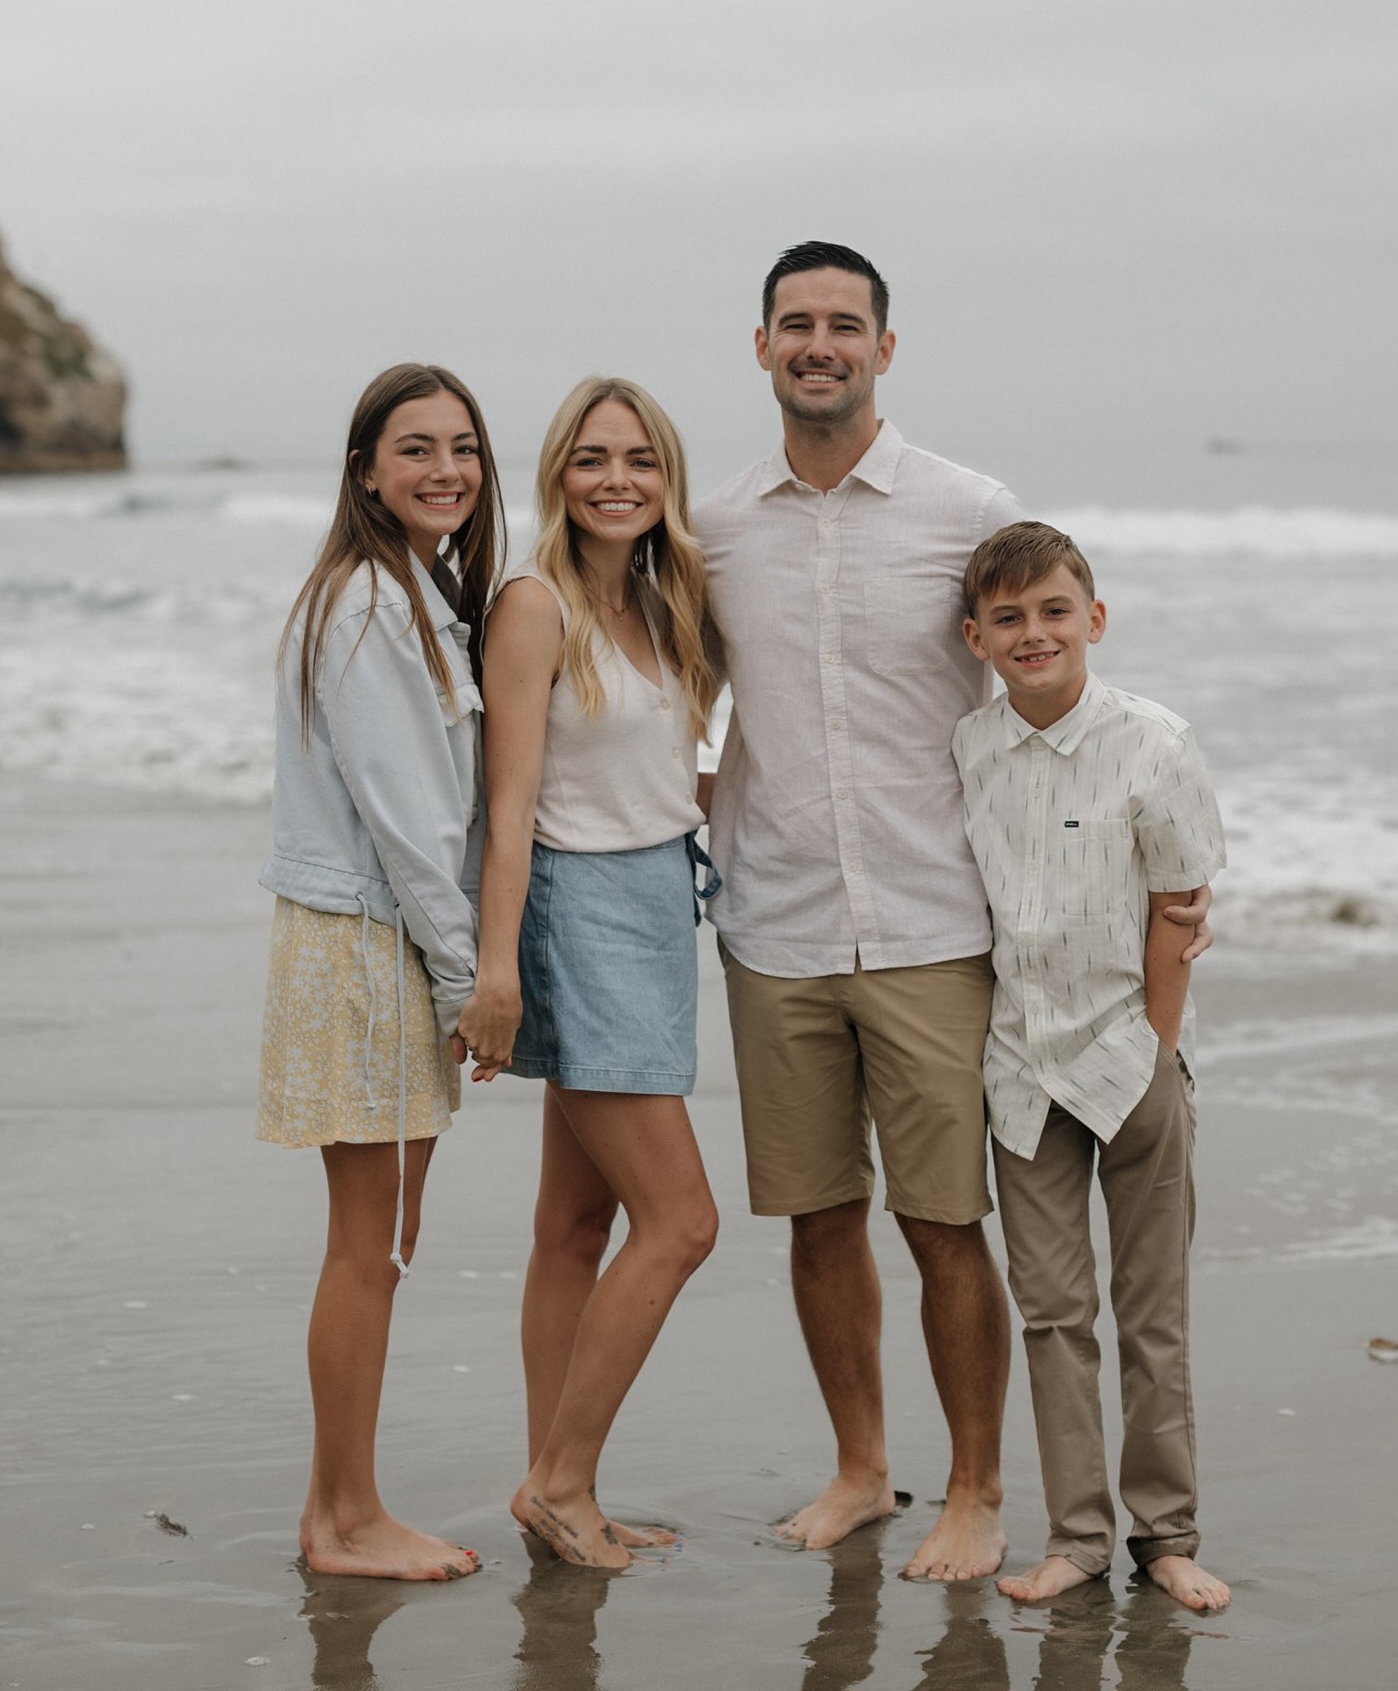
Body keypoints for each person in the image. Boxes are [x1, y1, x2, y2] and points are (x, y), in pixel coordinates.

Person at [691, 240, 1213, 1583]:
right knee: (815, 1217)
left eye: (845, 324)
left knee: (943, 1219)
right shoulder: (716, 522)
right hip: (778, 924)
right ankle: (864, 1471)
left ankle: (976, 1492)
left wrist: (1139, 901)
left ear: (884, 347)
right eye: (796, 324)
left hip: (934, 924)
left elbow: (1043, 672)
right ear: (761, 347)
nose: (821, 344)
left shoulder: (965, 505)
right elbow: (674, 695)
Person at [460, 377, 721, 1570]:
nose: (617, 479)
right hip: (578, 915)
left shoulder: (664, 606)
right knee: (682, 1223)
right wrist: (499, 968)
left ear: (666, 479)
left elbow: (664, 777)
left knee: (577, 1225)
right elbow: (509, 807)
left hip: (663, 905)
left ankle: (558, 1487)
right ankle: (560, 1485)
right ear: (558, 473)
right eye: (592, 459)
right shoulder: (533, 605)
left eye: (641, 461)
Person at [952, 520, 1231, 1613]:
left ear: (1094, 619)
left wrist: (1157, 1057)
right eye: (1010, 618)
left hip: (1135, 1060)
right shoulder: (969, 748)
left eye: (1055, 611)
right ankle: (1078, 1535)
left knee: (1151, 1314)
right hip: (1021, 1074)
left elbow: (1178, 908)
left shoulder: (1155, 741)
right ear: (978, 636)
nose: (1035, 633)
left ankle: (1167, 1536)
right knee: (1053, 1313)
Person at [257, 362, 505, 1581]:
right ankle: (348, 1521)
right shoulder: (367, 603)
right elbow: (412, 825)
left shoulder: (418, 595)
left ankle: (333, 1512)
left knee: (378, 1238)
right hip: (368, 944)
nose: (445, 469)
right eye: (415, 449)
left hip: (369, 939)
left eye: (461, 446)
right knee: (372, 1244)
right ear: (366, 471)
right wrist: (470, 985)